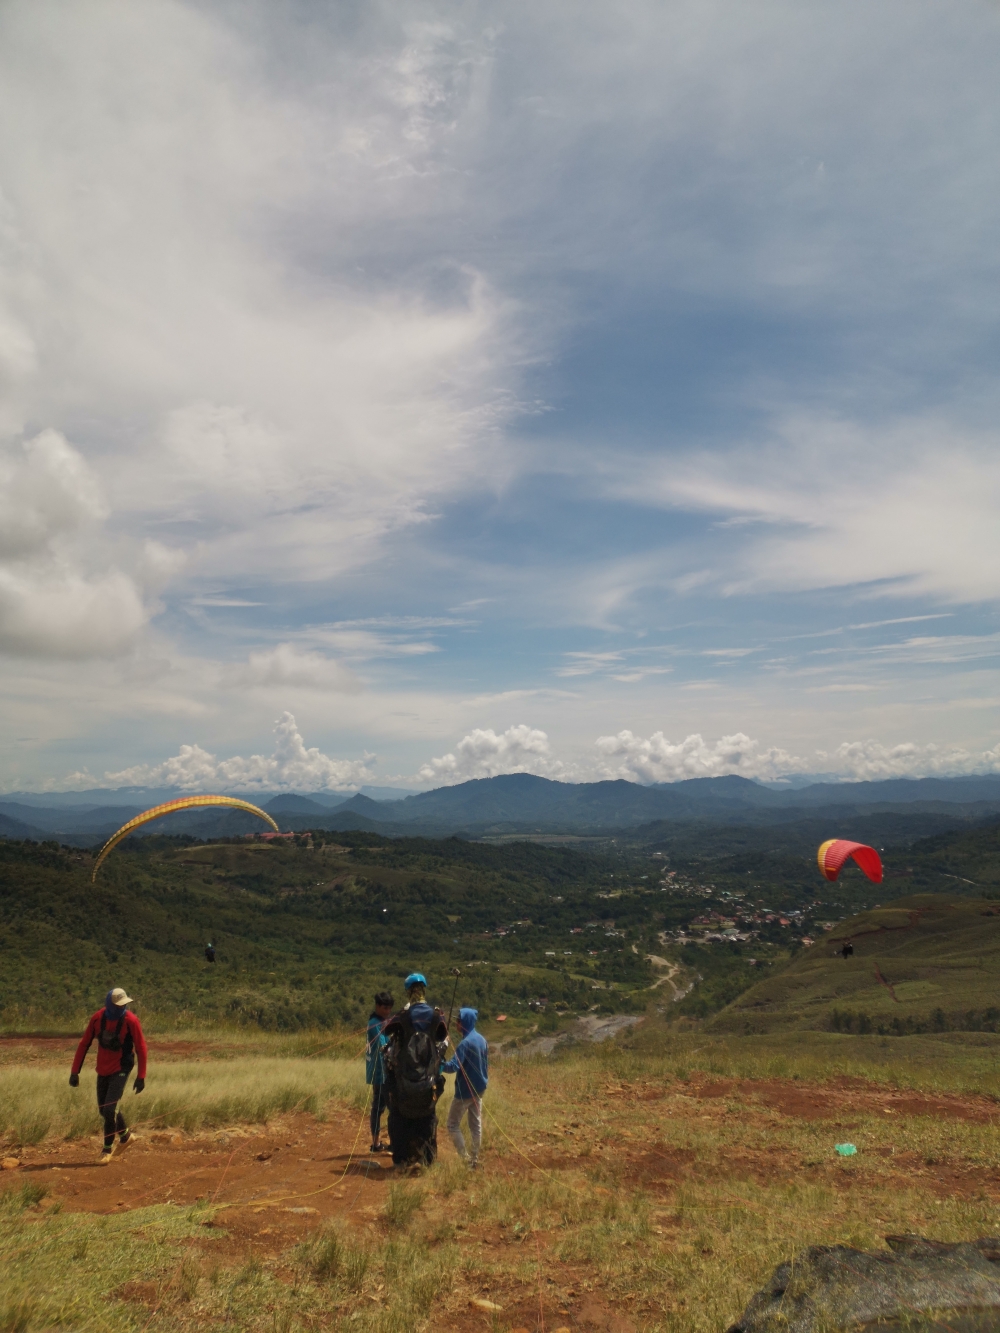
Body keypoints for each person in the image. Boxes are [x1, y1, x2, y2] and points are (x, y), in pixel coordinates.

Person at [69, 987, 147, 1163]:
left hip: (121, 1068)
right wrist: (75, 1072)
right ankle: (126, 1136)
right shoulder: (97, 1019)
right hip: (102, 1068)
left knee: (110, 1109)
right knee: (103, 1111)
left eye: (124, 1005)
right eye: (118, 1005)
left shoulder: (131, 1021)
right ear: (109, 1005)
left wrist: (141, 1076)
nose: (122, 1008)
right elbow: (84, 1044)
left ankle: (106, 1150)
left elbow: (141, 1047)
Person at [382, 973, 448, 1168]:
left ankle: (401, 1159)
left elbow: (387, 1031)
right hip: (428, 1081)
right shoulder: (436, 1016)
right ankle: (427, 1159)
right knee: (428, 1117)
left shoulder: (402, 1016)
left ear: (409, 991)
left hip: (404, 1081)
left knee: (398, 1117)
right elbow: (442, 1034)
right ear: (424, 990)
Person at [443, 1007, 488, 1169]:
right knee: (475, 1125)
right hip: (479, 1089)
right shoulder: (482, 1040)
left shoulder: (465, 1044)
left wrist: (438, 1062)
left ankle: (465, 1159)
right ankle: (474, 1159)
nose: (456, 1023)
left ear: (465, 1022)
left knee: (452, 1125)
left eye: (459, 1021)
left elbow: (452, 1067)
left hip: (464, 1092)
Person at [366, 990, 393, 1153]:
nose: (387, 1011)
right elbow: (384, 1047)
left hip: (384, 1071)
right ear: (377, 1006)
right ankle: (377, 1143)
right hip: (380, 1072)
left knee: (382, 1107)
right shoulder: (374, 1024)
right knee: (380, 1108)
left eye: (389, 1008)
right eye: (384, 1008)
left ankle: (380, 1143)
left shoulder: (382, 1022)